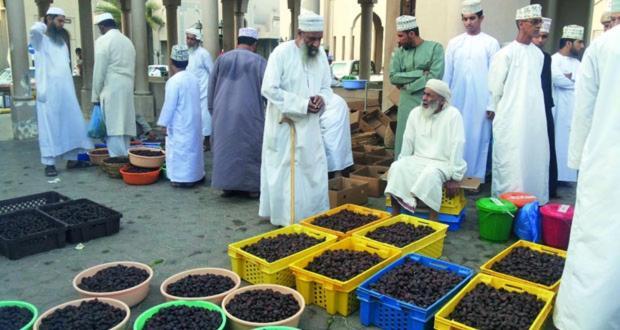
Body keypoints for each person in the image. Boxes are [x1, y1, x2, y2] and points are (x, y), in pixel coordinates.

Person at [553, 1, 620, 327]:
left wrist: (579, 161)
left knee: (599, 245)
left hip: (607, 164)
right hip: (608, 160)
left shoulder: (603, 48)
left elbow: (584, 111)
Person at [259, 12, 332, 227]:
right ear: (299, 34)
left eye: (319, 38)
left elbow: (327, 87)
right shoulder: (281, 53)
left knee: (311, 172)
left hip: (310, 128)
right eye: (311, 39)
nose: (316, 43)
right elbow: (268, 88)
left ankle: (311, 218)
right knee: (285, 174)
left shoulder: (320, 56)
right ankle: (285, 221)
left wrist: (322, 99)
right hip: (285, 127)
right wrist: (301, 104)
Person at [488, 4, 549, 204]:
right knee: (511, 162)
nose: (539, 26)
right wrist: (499, 114)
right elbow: (495, 89)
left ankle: (531, 205)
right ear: (521, 24)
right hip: (510, 117)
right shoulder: (505, 54)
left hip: (534, 117)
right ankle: (506, 205)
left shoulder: (538, 55)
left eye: (540, 21)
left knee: (533, 158)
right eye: (534, 22)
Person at [385, 79, 466, 216]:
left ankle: (433, 220)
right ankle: (395, 214)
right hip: (418, 159)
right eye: (424, 94)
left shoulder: (453, 115)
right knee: (397, 167)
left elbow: (457, 145)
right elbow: (408, 141)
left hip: (443, 163)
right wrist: (402, 162)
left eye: (429, 95)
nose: (424, 98)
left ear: (441, 99)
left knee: (431, 175)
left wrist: (455, 177)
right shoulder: (415, 113)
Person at [29, 7, 92, 177]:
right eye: (59, 20)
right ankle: (49, 163)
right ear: (49, 20)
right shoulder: (40, 40)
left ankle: (72, 159)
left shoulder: (62, 43)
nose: (62, 24)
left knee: (70, 124)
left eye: (63, 21)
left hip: (66, 92)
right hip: (48, 94)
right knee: (50, 127)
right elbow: (34, 30)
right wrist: (44, 23)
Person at [443, 0, 499, 183]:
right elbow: (447, 73)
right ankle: (454, 176)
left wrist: (492, 103)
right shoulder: (454, 43)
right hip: (456, 99)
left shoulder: (491, 43)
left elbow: (495, 76)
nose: (468, 23)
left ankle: (475, 179)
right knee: (455, 137)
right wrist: (444, 99)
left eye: (472, 18)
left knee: (478, 137)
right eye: (465, 19)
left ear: (481, 18)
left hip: (481, 100)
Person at [208, 27, 267, 198]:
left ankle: (227, 186)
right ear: (254, 44)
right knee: (250, 149)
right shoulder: (260, 62)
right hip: (250, 114)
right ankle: (251, 188)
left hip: (223, 113)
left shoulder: (221, 59)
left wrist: (213, 110)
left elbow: (211, 87)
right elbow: (269, 91)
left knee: (226, 149)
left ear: (238, 41)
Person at [390, 15, 444, 157]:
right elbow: (393, 77)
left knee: (426, 139)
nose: (398, 40)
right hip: (406, 103)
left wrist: (409, 87)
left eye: (401, 36)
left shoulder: (435, 48)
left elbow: (435, 76)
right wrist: (420, 73)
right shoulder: (399, 53)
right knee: (404, 139)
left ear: (412, 34)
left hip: (429, 101)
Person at [157, 45, 205, 188]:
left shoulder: (174, 81)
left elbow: (169, 105)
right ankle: (195, 176)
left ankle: (180, 178)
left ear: (171, 62)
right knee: (193, 149)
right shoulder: (193, 79)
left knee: (180, 150)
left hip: (180, 122)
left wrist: (164, 124)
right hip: (194, 121)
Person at [92, 13, 137, 157]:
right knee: (124, 125)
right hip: (127, 87)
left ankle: (117, 160)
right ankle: (125, 155)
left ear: (102, 26)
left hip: (111, 87)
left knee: (113, 127)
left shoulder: (103, 41)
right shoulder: (127, 41)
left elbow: (99, 70)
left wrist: (95, 95)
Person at [550, 25, 584, 183]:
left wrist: (570, 79)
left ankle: (567, 177)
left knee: (570, 141)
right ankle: (556, 176)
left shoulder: (578, 63)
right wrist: (571, 80)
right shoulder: (553, 60)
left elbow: (583, 83)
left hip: (574, 108)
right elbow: (557, 80)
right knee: (557, 140)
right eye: (579, 42)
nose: (582, 46)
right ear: (569, 43)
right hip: (558, 107)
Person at [532, 17, 558, 197]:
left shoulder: (546, 58)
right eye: (538, 36)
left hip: (544, 106)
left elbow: (546, 85)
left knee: (547, 145)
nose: (540, 40)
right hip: (527, 107)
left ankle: (548, 186)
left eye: (545, 37)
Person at [185, 28, 214, 151]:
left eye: (192, 39)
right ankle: (195, 141)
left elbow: (212, 71)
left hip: (204, 91)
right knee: (192, 117)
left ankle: (207, 142)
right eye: (188, 38)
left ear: (197, 40)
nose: (189, 41)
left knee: (205, 118)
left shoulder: (204, 53)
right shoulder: (185, 53)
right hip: (191, 91)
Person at [320, 93, 353, 177]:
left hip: (331, 106)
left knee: (333, 143)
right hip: (329, 104)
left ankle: (337, 177)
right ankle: (336, 175)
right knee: (334, 142)